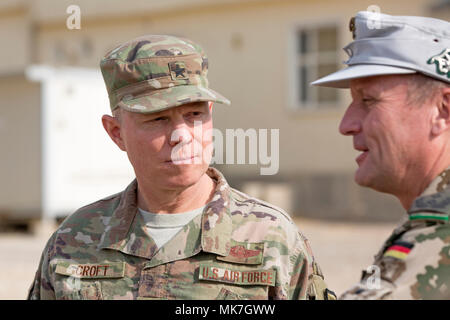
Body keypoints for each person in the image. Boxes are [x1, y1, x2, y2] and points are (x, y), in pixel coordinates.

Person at [28, 35, 334, 300]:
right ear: (116, 132)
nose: (182, 136)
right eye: (158, 118)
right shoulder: (73, 241)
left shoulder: (271, 238)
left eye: (195, 114)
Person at [312, 11, 450, 299]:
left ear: (443, 110)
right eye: (353, 101)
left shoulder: (438, 235)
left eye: (369, 100)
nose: (346, 125)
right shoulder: (426, 216)